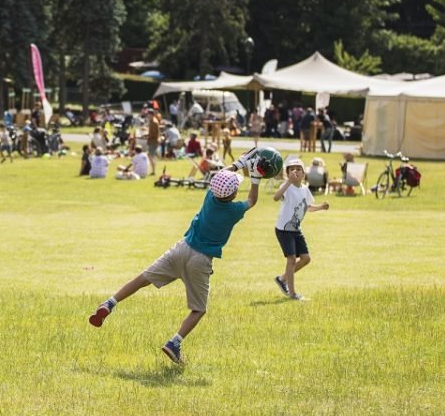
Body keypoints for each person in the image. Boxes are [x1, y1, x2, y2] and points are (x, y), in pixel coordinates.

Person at [87, 149, 264, 366]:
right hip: (201, 260)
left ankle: (110, 303)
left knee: (143, 278)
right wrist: (255, 177)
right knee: (198, 309)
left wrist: (240, 162)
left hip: (182, 248)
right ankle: (174, 343)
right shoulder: (234, 210)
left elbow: (221, 177)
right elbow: (252, 200)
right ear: (233, 194)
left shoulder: (210, 197)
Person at [272, 157, 330, 301]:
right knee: (291, 259)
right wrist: (287, 182)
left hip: (296, 229)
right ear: (287, 173)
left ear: (303, 174)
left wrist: (321, 207)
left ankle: (282, 278)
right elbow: (276, 197)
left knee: (305, 258)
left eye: (298, 169)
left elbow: (307, 207)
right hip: (284, 230)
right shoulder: (286, 187)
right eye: (292, 169)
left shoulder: (305, 190)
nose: (295, 172)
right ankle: (292, 294)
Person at [145, 109, 160, 175]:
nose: (147, 115)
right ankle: (153, 170)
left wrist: (146, 136)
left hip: (153, 141)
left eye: (148, 114)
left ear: (151, 114)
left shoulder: (153, 122)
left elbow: (153, 134)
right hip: (153, 140)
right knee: (151, 155)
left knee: (150, 155)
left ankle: (153, 171)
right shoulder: (152, 121)